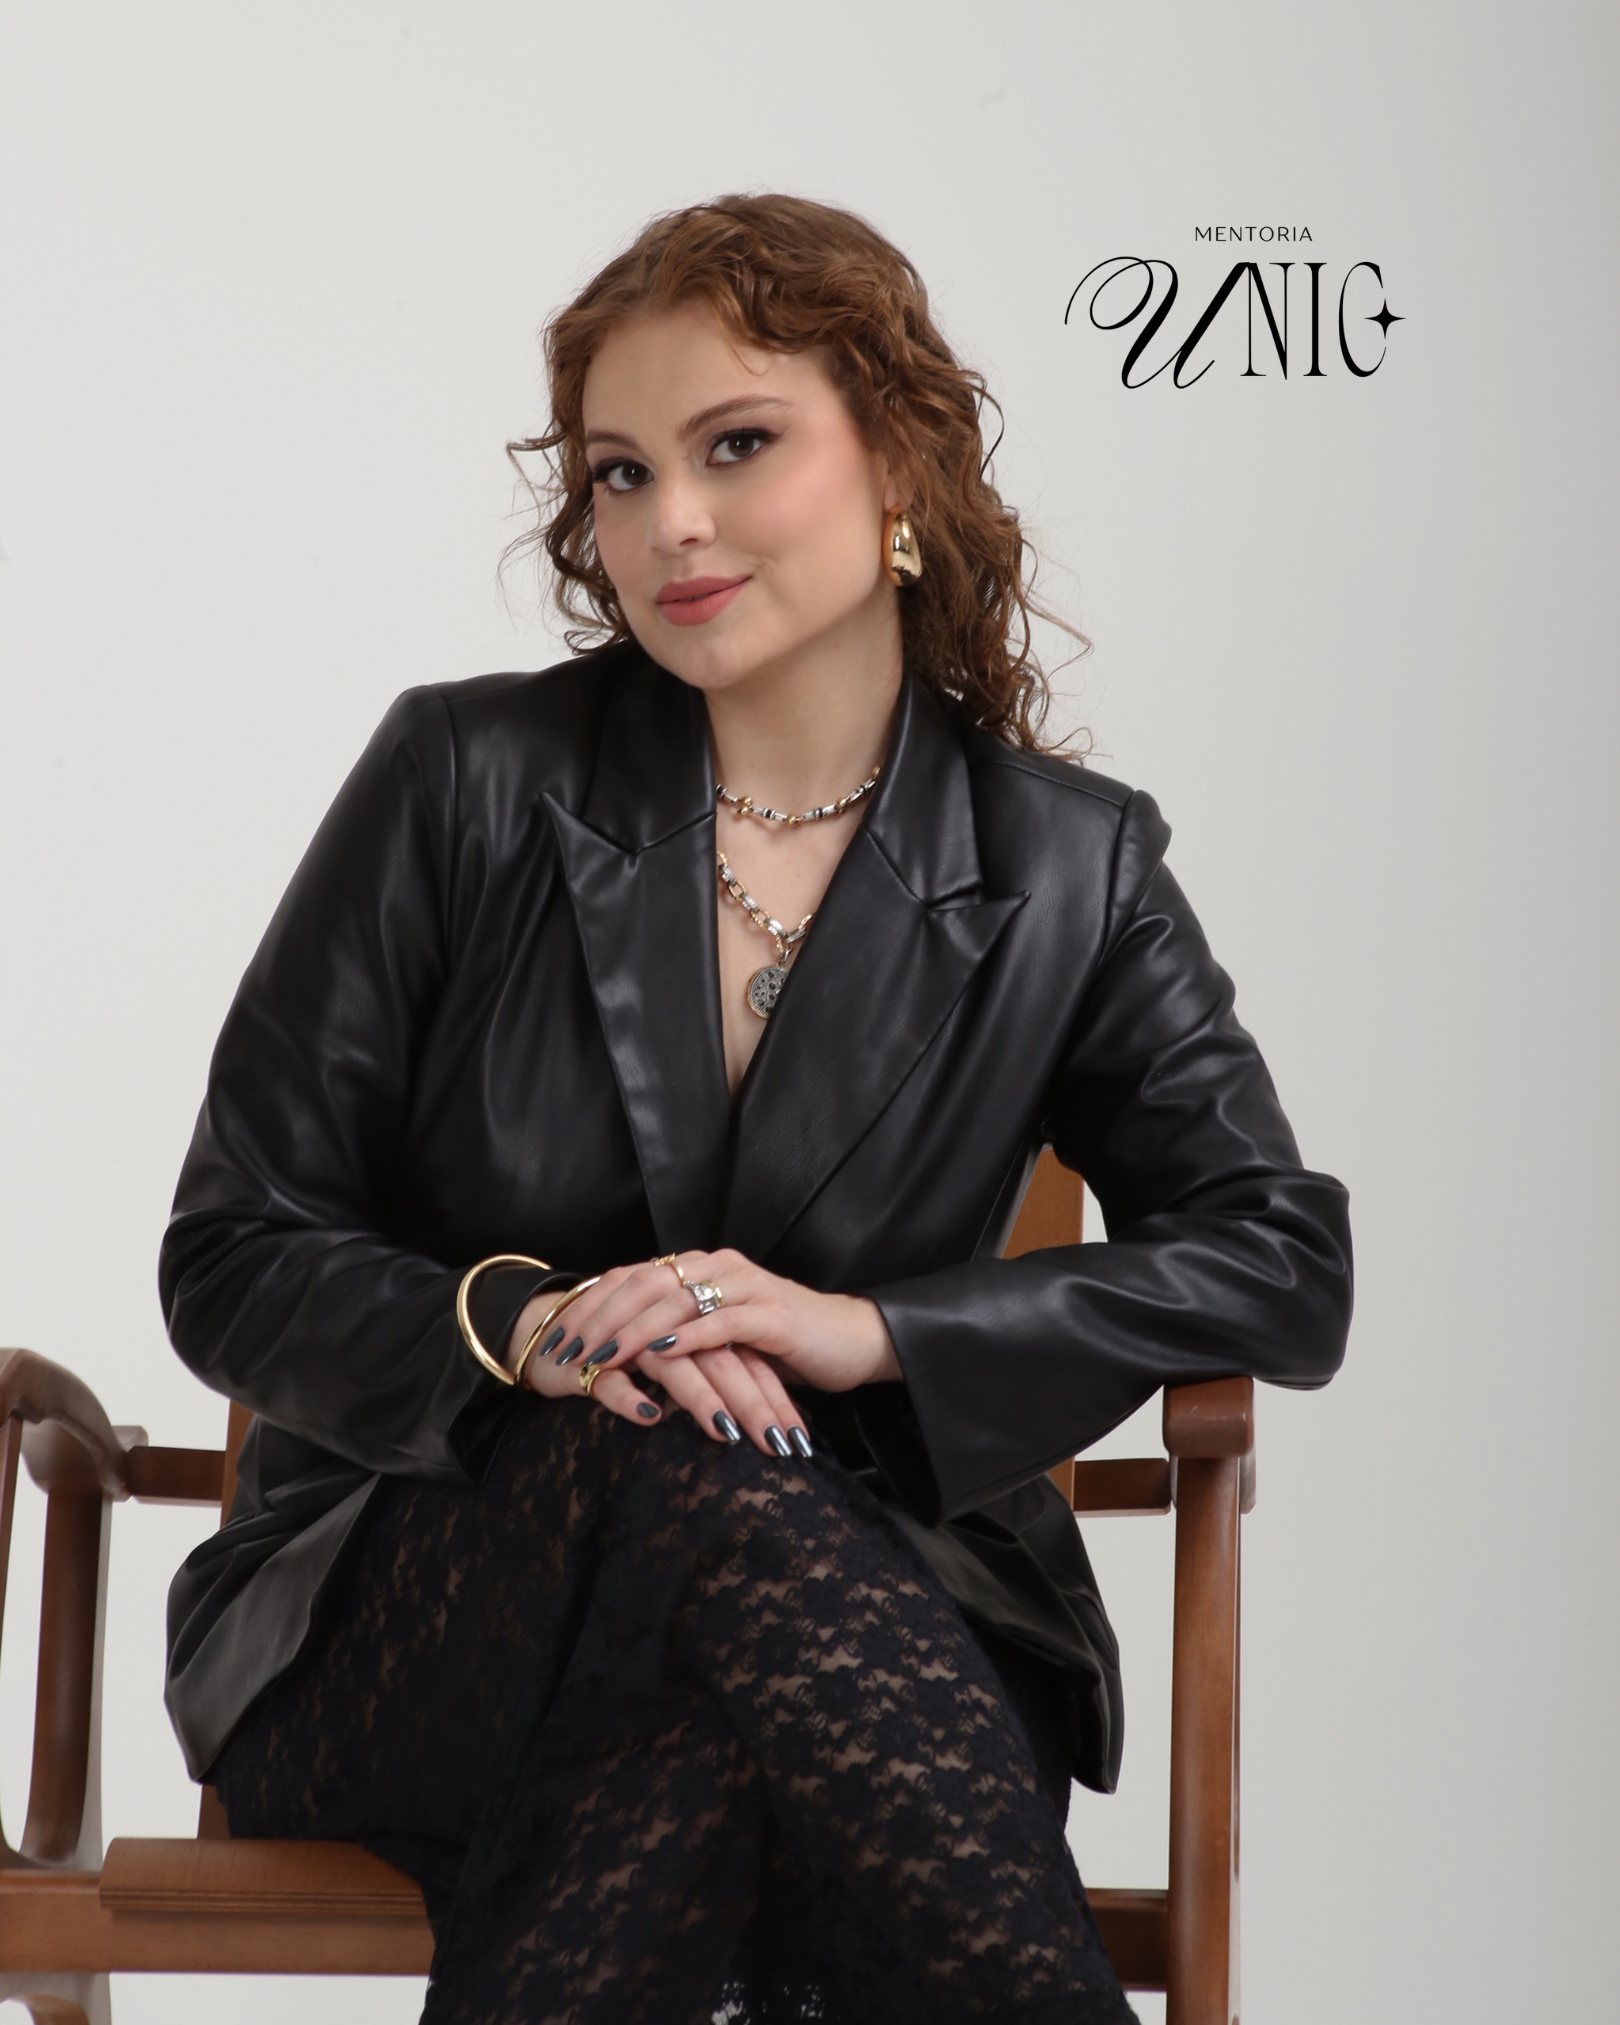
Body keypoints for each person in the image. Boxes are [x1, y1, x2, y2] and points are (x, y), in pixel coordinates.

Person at [160, 194, 1352, 2024]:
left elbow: (1279, 1256)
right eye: (621, 473)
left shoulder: (1068, 870)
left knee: (707, 1732)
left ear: (903, 466)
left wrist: (864, 1333)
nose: (672, 524)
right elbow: (233, 1251)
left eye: (736, 446)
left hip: (884, 1620)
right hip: (425, 1606)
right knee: (702, 1494)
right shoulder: (462, 778)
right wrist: (534, 1327)